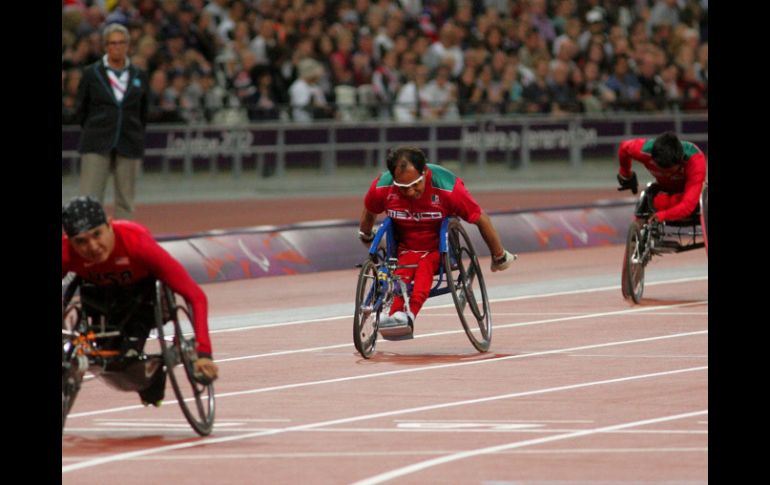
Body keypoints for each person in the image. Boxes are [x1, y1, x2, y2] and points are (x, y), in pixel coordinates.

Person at [62, 196, 219, 406]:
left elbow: (195, 296)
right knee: (109, 361)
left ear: (109, 225)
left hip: (141, 300)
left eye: (97, 234)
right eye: (81, 241)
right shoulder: (66, 253)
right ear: (69, 241)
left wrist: (204, 352)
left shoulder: (137, 243)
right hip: (100, 301)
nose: (92, 247)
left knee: (127, 368)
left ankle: (156, 376)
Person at [358, 147, 516, 337]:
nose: (409, 192)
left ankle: (409, 314)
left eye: (415, 184)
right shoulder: (382, 187)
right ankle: (394, 316)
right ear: (393, 178)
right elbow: (369, 210)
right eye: (403, 187)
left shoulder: (447, 187)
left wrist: (498, 255)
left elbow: (480, 218)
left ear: (424, 172)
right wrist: (366, 235)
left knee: (424, 265)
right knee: (401, 272)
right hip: (405, 248)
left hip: (438, 248)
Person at [75, 23, 149, 220]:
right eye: (112, 43)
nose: (117, 47)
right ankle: (89, 243)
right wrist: (95, 127)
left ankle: (124, 242)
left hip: (129, 141)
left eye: (121, 43)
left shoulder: (139, 75)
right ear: (106, 46)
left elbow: (143, 111)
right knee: (89, 200)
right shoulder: (92, 73)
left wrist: (135, 132)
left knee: (126, 200)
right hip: (96, 141)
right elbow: (81, 109)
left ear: (128, 45)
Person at [616, 132, 707, 223]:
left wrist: (663, 215)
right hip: (664, 189)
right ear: (653, 158)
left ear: (680, 161)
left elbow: (688, 206)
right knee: (650, 201)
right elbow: (624, 147)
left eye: (670, 171)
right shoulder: (644, 151)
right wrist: (626, 174)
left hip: (688, 193)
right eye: (662, 171)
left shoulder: (696, 162)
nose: (667, 175)